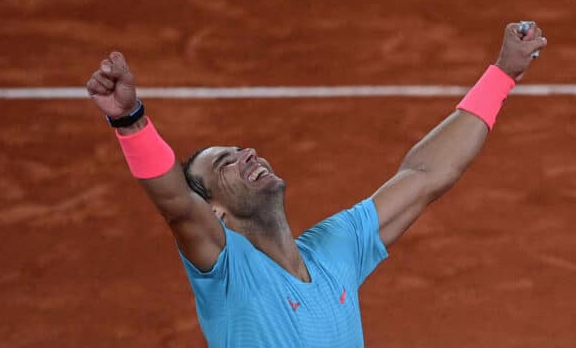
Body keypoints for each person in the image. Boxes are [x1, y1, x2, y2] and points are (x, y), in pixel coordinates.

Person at [86, 21, 547, 347]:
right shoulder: (227, 272)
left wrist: (502, 75)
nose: (246, 153)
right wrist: (130, 120)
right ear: (214, 213)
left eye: (242, 149)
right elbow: (174, 203)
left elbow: (426, 175)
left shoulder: (334, 249)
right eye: (224, 163)